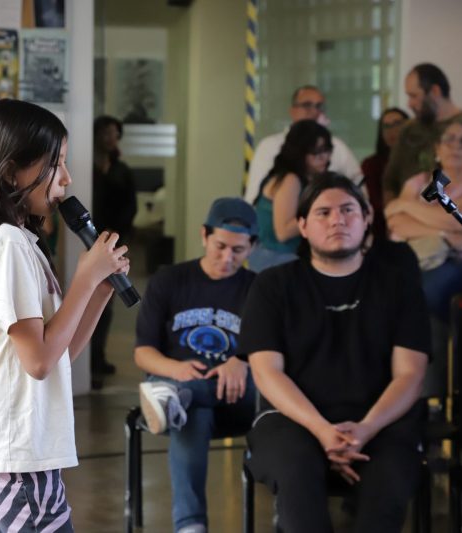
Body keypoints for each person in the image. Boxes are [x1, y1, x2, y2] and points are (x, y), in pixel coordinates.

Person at [0, 98, 130, 532]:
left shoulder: (17, 242)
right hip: (14, 456)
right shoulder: (4, 244)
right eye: (56, 163)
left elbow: (58, 355)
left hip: (19, 453)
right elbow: (40, 361)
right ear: (12, 172)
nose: (66, 178)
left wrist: (100, 289)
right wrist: (85, 277)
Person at [240, 173, 430, 532]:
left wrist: (366, 429)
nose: (337, 220)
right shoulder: (273, 286)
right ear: (302, 225)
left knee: (388, 481)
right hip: (293, 420)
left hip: (382, 420)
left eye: (348, 210)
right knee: (297, 470)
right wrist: (322, 430)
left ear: (367, 217)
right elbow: (267, 372)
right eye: (323, 212)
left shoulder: (399, 285)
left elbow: (410, 374)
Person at [134, 197, 258, 533]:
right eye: (220, 246)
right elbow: (143, 352)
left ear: (252, 247)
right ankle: (191, 526)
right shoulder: (168, 281)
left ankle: (176, 395)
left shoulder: (259, 289)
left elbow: (276, 351)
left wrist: (241, 361)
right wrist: (176, 370)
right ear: (204, 235)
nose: (227, 258)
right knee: (192, 414)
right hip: (179, 393)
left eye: (238, 250)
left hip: (238, 397)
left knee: (184, 401)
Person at [385, 115, 462, 397]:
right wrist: (445, 234)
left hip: (461, 264)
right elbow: (394, 222)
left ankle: (429, 394)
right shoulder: (419, 181)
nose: (456, 146)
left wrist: (406, 206)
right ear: (437, 148)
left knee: (422, 297)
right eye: (450, 139)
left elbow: (460, 219)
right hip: (415, 262)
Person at [244, 84, 361, 204]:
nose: (314, 111)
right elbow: (253, 198)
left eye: (319, 106)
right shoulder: (270, 146)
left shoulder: (337, 146)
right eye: (307, 105)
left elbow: (358, 184)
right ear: (293, 111)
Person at [247, 119, 332, 272]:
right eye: (315, 152)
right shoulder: (290, 180)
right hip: (273, 258)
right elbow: (283, 232)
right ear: (299, 152)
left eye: (327, 150)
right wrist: (321, 212)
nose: (323, 157)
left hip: (281, 257)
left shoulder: (303, 178)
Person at [91, 115, 138, 377]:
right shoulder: (86, 166)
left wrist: (116, 232)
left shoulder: (122, 170)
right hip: (87, 240)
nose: (111, 138)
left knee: (105, 301)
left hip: (112, 242)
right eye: (106, 132)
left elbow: (130, 206)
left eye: (115, 134)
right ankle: (87, 361)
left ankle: (98, 358)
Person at [383, 63, 462, 201]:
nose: (409, 104)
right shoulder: (409, 129)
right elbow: (390, 181)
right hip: (407, 210)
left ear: (435, 91)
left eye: (414, 96)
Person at [360, 107, 409, 239]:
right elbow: (375, 204)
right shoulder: (371, 165)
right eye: (386, 126)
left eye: (397, 123)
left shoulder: (420, 161)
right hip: (383, 230)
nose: (392, 130)